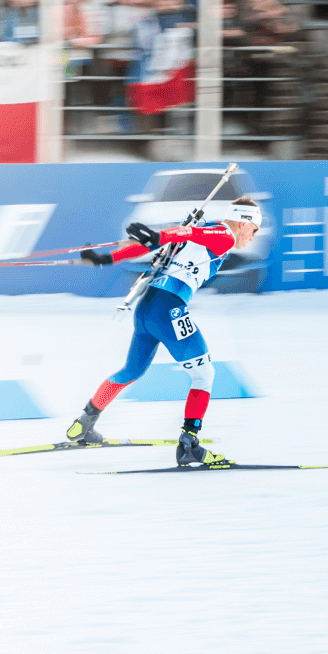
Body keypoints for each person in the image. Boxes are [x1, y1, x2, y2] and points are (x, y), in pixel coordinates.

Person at [69, 198, 264, 468]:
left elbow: (155, 246)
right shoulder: (224, 235)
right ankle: (189, 446)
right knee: (204, 375)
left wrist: (107, 258)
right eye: (253, 229)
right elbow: (183, 233)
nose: (252, 237)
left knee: (131, 371)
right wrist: (160, 234)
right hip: (168, 309)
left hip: (147, 307)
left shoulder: (209, 230)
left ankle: (84, 423)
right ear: (243, 223)